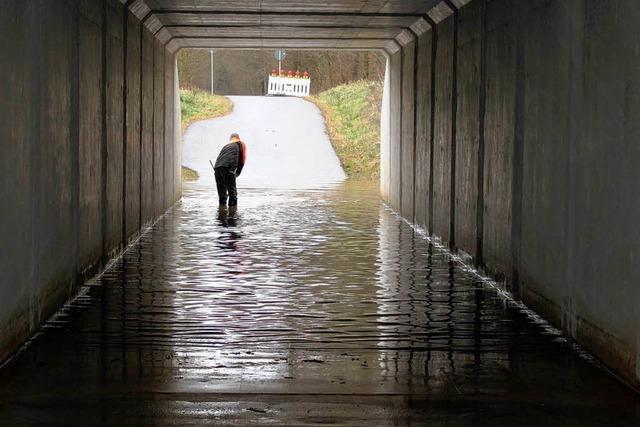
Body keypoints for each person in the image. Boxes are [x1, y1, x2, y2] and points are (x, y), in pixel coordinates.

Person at [213, 133, 246, 207]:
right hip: (227, 168)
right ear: (238, 138)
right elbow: (242, 160)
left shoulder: (226, 146)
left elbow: (219, 158)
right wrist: (237, 173)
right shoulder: (241, 144)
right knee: (232, 193)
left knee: (222, 194)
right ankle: (233, 215)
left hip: (217, 168)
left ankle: (221, 213)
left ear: (231, 139)